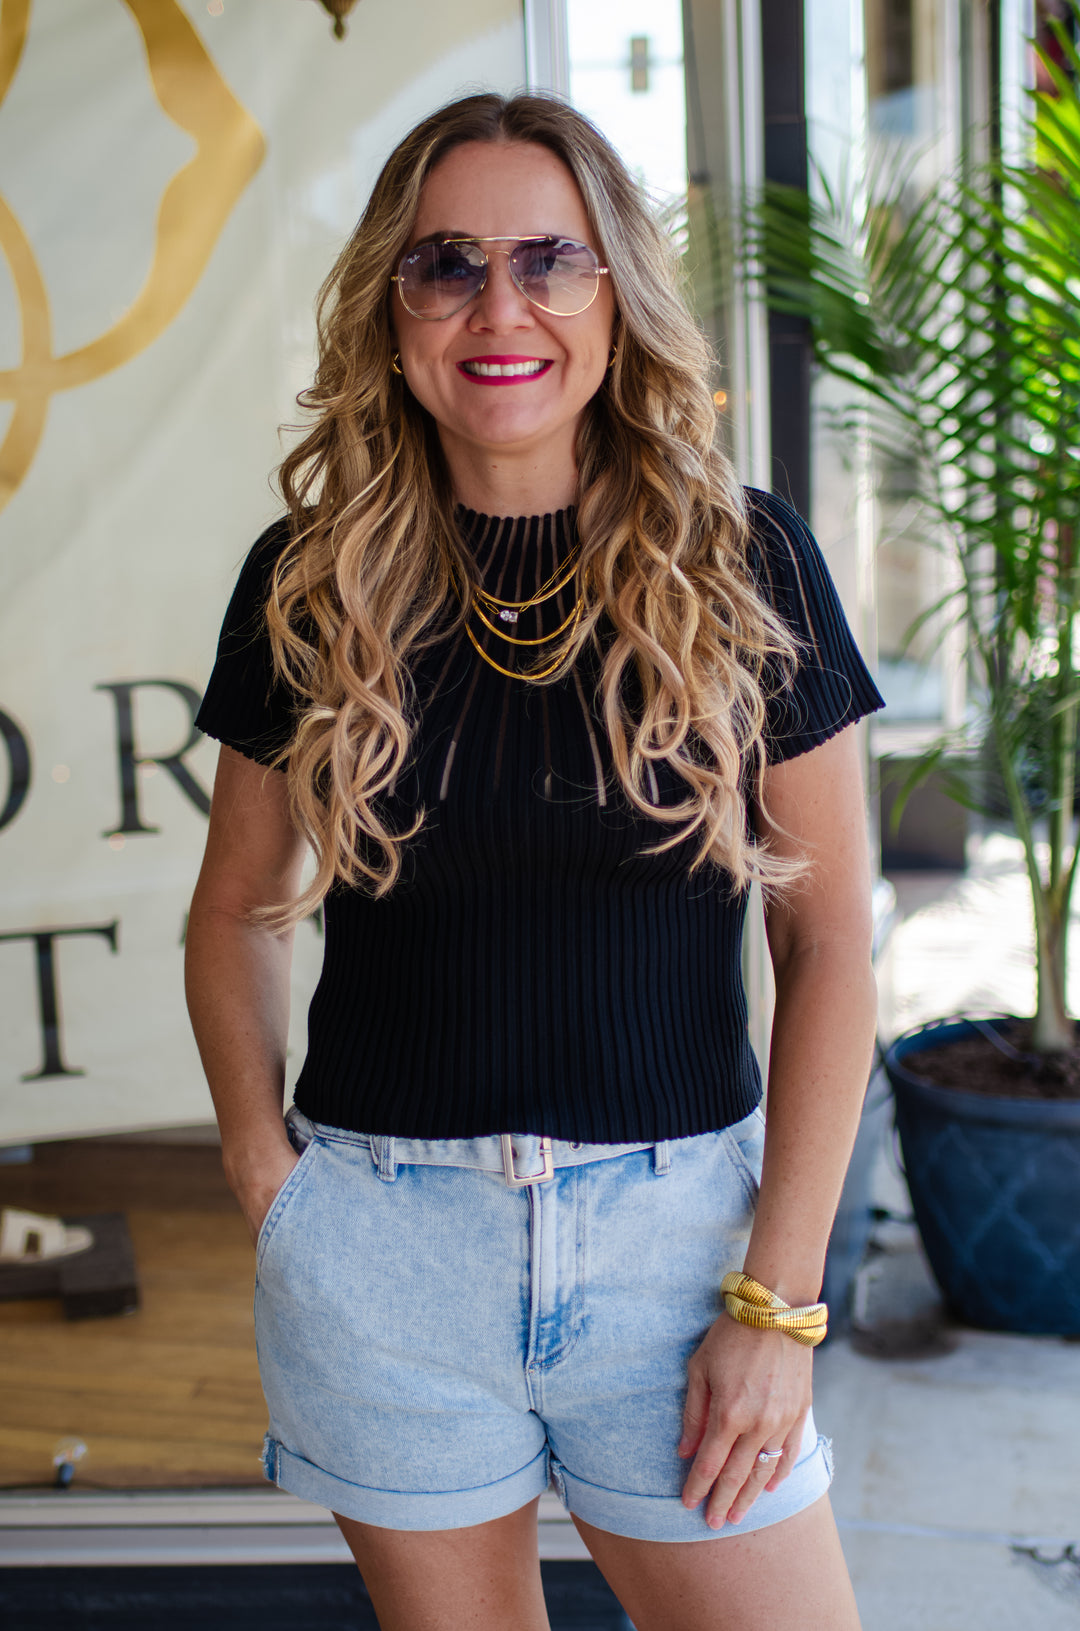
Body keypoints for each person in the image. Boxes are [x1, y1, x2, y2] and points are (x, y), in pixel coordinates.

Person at [185, 91, 882, 1631]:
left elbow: (831, 940)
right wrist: (265, 1175)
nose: (500, 310)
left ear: (617, 297)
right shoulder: (313, 582)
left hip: (681, 1252)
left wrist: (780, 1300)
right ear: (392, 310)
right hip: (384, 1252)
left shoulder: (745, 562)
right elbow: (234, 908)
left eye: (550, 261)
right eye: (446, 264)